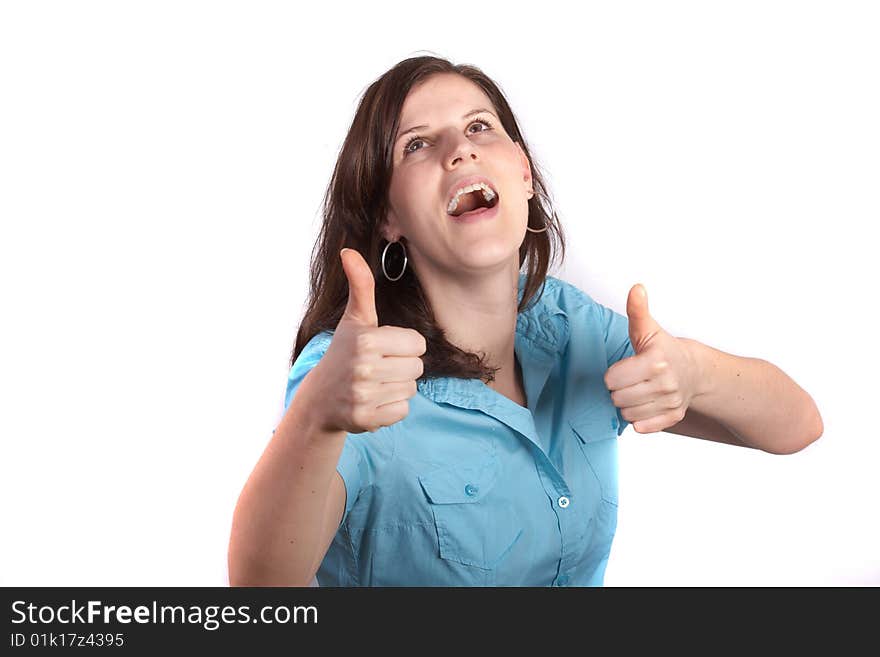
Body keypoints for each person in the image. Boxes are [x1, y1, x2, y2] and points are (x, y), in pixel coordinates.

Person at [227, 55, 824, 587]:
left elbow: (798, 426)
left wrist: (695, 372)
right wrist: (316, 420)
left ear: (524, 174)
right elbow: (259, 592)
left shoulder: (570, 326)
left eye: (479, 127)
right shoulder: (351, 372)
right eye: (416, 144)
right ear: (388, 218)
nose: (459, 150)